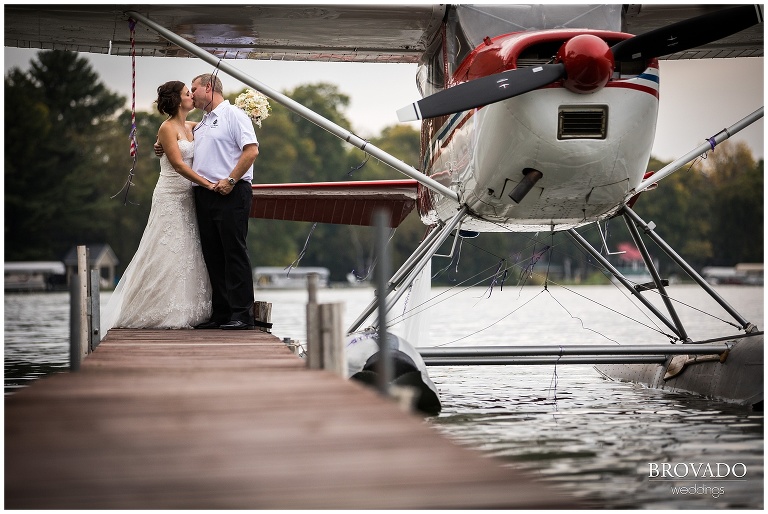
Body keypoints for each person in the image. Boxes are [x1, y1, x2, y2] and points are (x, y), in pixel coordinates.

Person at [102, 81, 215, 332]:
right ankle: (157, 309)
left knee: (189, 248)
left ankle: (192, 308)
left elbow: (215, 133)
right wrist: (208, 184)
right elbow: (178, 165)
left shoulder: (192, 126)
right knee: (167, 248)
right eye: (187, 93)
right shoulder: (166, 128)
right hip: (170, 194)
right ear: (177, 100)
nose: (191, 97)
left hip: (189, 195)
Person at [186, 73, 259, 330]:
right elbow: (176, 130)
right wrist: (160, 144)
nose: (191, 93)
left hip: (231, 191)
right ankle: (221, 313)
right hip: (204, 193)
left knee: (234, 252)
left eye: (194, 88)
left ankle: (242, 314)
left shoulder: (235, 115)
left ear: (208, 87)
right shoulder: (203, 122)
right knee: (213, 255)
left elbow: (251, 150)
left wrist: (230, 180)